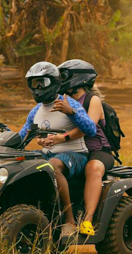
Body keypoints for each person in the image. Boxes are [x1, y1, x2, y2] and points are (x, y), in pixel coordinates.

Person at [19, 61, 97, 235]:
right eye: (34, 83)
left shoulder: (69, 103)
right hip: (48, 154)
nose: (38, 87)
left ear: (54, 82)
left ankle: (69, 221)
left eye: (42, 82)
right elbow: (22, 135)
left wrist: (71, 112)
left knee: (52, 166)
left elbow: (91, 129)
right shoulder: (36, 111)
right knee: (20, 163)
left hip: (76, 155)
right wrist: (5, 136)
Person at [47, 59, 115, 236]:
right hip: (75, 150)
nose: (60, 80)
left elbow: (87, 129)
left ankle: (87, 220)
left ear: (79, 79)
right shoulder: (62, 100)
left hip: (99, 151)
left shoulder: (93, 101)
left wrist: (62, 138)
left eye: (64, 76)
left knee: (93, 168)